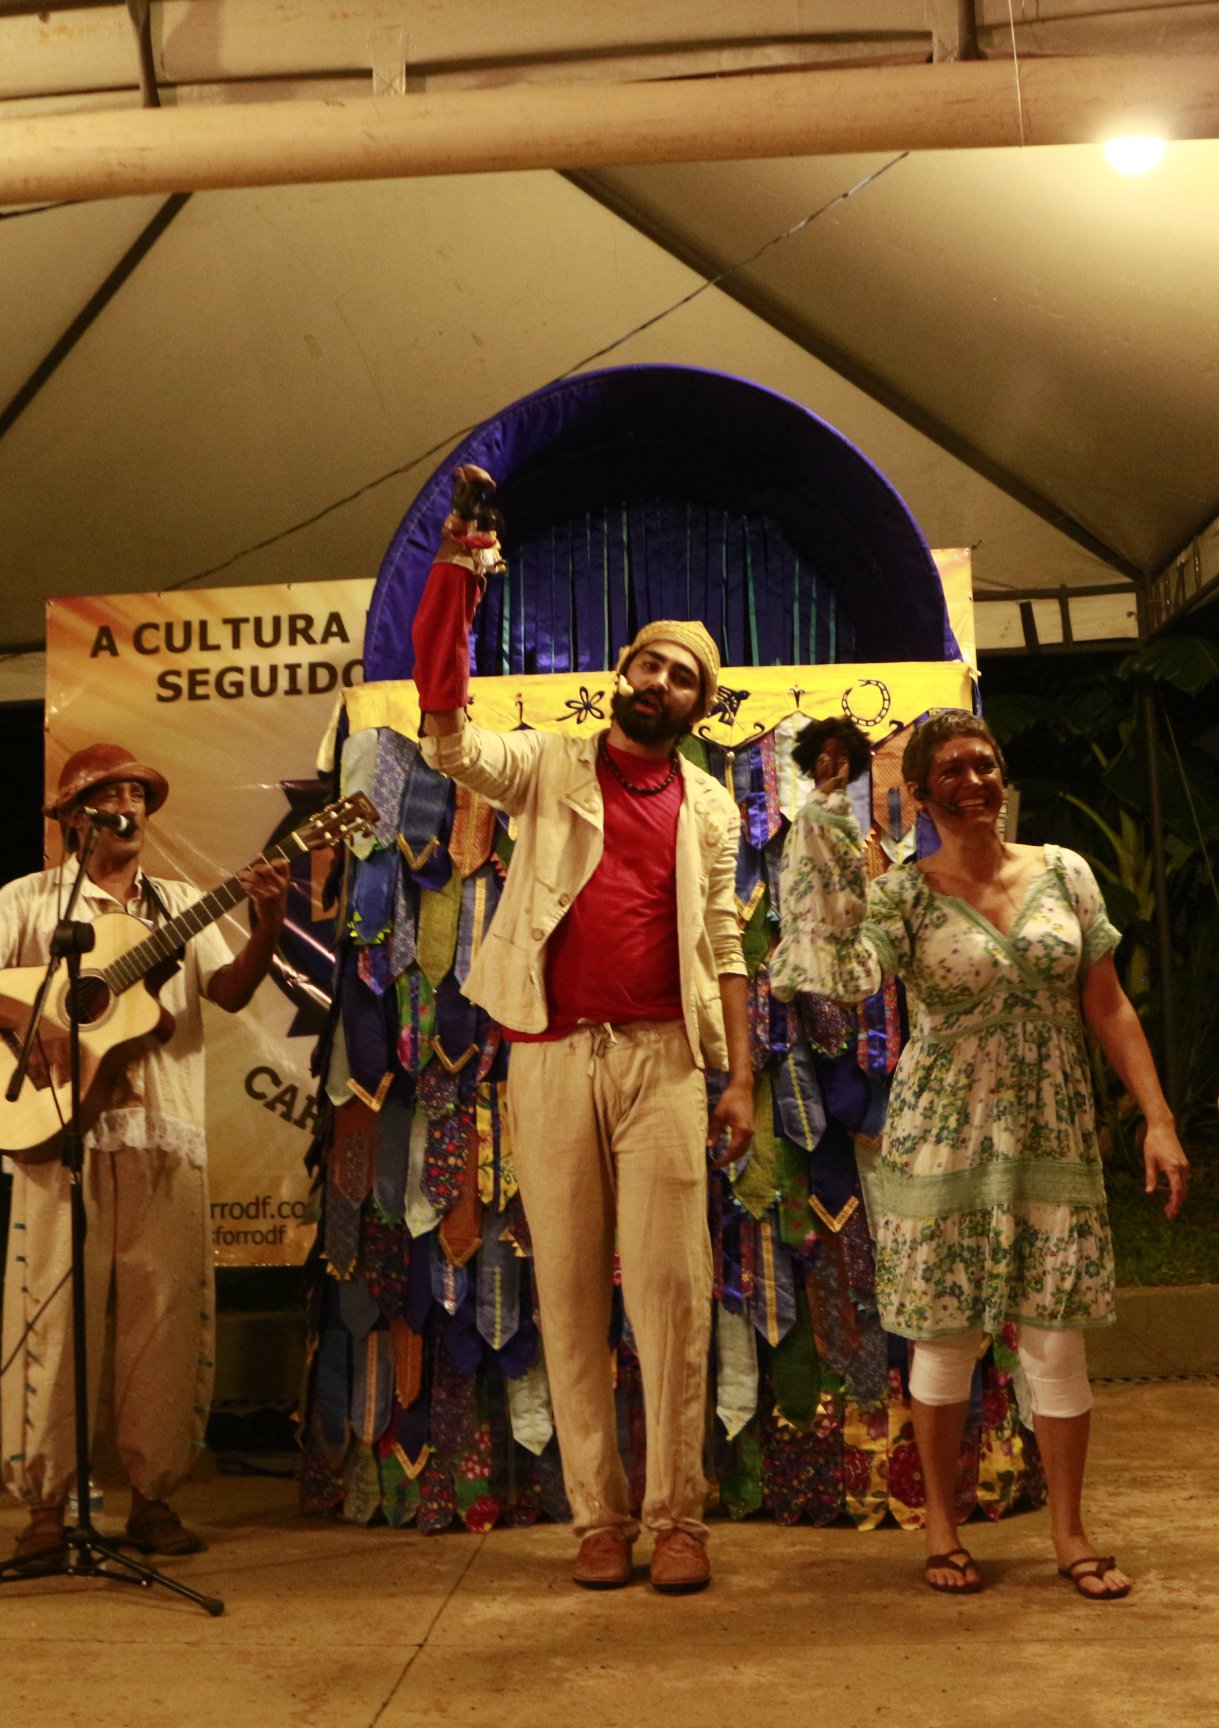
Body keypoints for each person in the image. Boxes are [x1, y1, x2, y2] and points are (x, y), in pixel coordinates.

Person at [411, 464, 755, 1595]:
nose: (651, 677)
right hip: (551, 1056)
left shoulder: (709, 804)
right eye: (643, 660)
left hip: (665, 1063)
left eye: (676, 674)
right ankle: (596, 1519)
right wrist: (460, 570)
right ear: (621, 676)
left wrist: (740, 1080)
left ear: (698, 707)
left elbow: (726, 952)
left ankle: (678, 1518)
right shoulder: (550, 764)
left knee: (670, 1294)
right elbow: (451, 734)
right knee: (565, 1286)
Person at [773, 708, 1189, 1601]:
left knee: (1055, 1333)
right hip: (942, 1130)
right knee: (947, 1333)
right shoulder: (901, 894)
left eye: (985, 764)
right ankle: (942, 1525)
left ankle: (1071, 1533)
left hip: (1052, 1123)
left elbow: (1107, 1004)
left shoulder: (1064, 873)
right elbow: (843, 978)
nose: (974, 783)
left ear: (1004, 775)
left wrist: (1156, 1116)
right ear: (919, 794)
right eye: (951, 772)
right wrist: (822, 846)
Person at [0, 743, 289, 1568]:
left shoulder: (183, 902)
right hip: (60, 1142)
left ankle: (153, 1498)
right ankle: (46, 1509)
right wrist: (27, 1020)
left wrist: (266, 920)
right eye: (112, 794)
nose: (131, 805)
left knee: (163, 1324)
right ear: (74, 817)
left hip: (167, 1135)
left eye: (139, 794)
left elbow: (228, 991)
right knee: (50, 1320)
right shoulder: (30, 900)